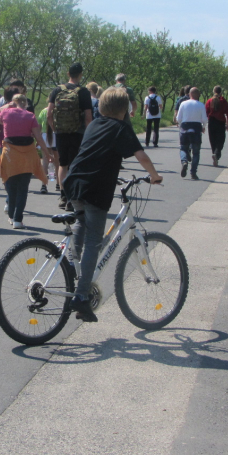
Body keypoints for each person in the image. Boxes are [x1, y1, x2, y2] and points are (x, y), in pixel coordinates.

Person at [63, 87, 163, 322]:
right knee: (94, 243)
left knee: (81, 223)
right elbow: (142, 156)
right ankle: (81, 297)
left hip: (73, 182)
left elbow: (96, 154)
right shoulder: (121, 128)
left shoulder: (94, 125)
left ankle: (70, 265)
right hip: (94, 189)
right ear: (126, 109)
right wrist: (154, 175)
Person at [0, 93, 49, 229]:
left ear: (13, 102)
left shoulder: (5, 113)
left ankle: (11, 216)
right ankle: (18, 220)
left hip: (10, 154)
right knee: (23, 188)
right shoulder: (30, 116)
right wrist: (47, 153)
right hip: (27, 154)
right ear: (26, 104)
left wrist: (7, 106)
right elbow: (38, 137)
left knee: (11, 187)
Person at [46, 62, 93, 210]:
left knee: (63, 164)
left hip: (61, 133)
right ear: (80, 74)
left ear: (68, 74)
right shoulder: (83, 92)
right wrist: (89, 134)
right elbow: (88, 117)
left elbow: (49, 114)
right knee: (75, 165)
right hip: (77, 133)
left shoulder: (57, 90)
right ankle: (73, 198)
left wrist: (55, 128)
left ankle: (63, 196)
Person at [176, 87, 207, 180]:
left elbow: (178, 118)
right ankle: (193, 172)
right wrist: (203, 126)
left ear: (189, 94)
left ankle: (184, 161)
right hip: (196, 128)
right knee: (196, 152)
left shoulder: (183, 103)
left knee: (183, 148)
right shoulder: (201, 105)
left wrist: (181, 125)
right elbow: (204, 119)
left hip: (185, 127)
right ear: (198, 95)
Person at [205, 85, 228, 166]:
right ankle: (217, 154)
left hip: (211, 122)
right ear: (221, 92)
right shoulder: (223, 101)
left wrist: (205, 122)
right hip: (220, 122)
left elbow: (206, 112)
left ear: (213, 91)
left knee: (212, 140)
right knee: (220, 140)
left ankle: (214, 153)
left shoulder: (209, 100)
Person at [36, 105, 57, 194]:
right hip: (55, 135)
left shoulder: (43, 112)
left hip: (44, 136)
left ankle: (44, 184)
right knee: (56, 161)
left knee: (45, 160)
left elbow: (39, 126)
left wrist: (38, 138)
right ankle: (57, 182)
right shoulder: (57, 111)